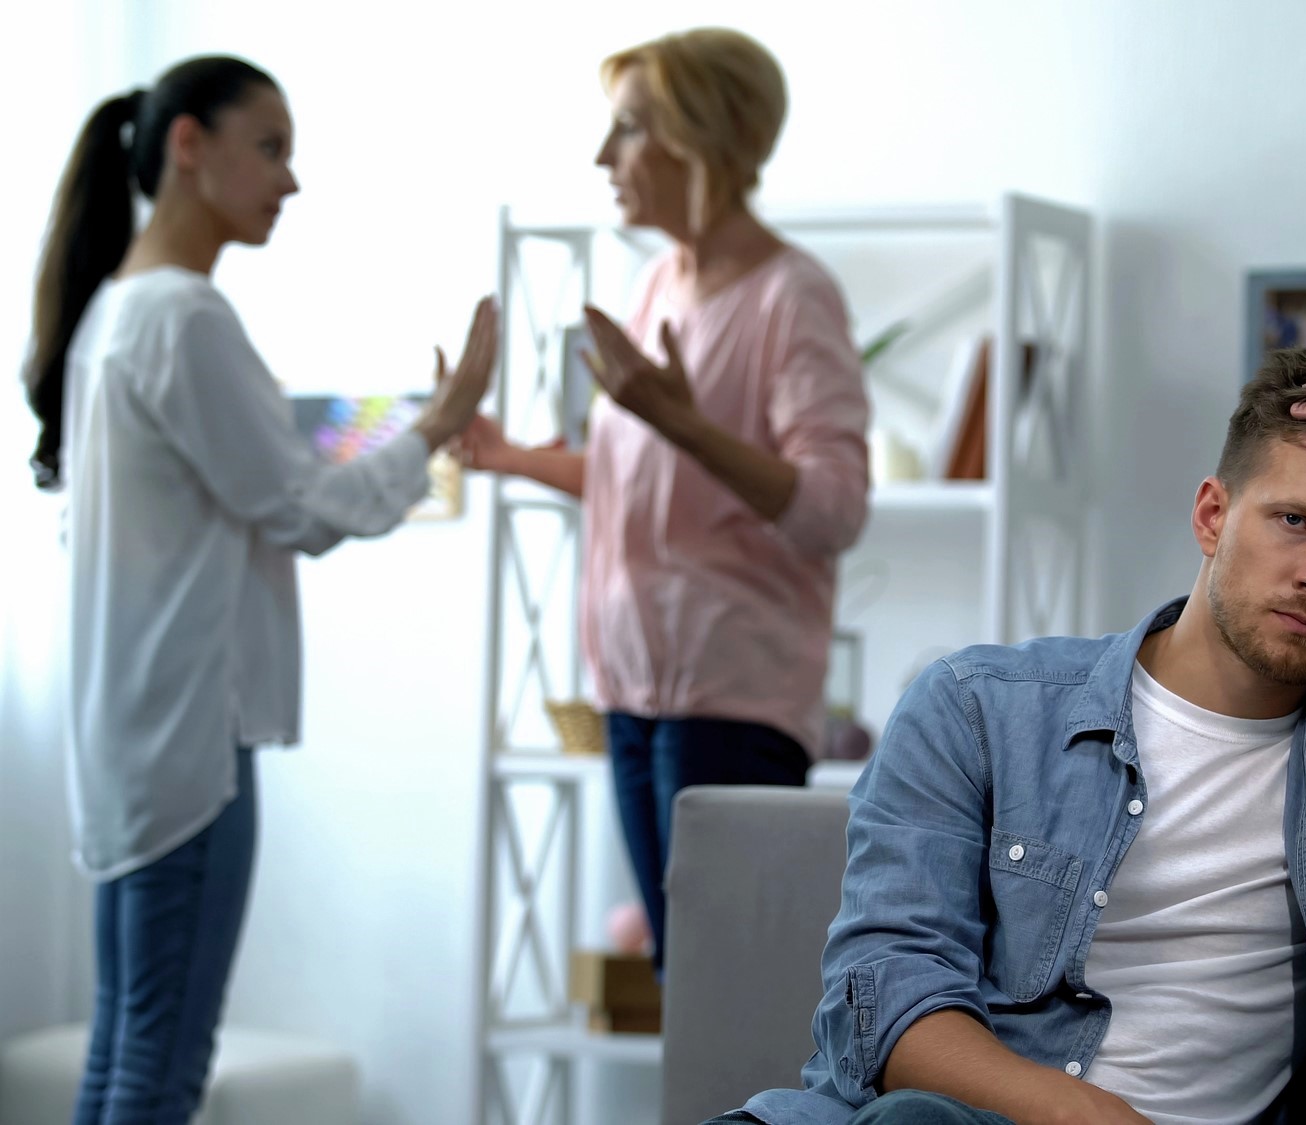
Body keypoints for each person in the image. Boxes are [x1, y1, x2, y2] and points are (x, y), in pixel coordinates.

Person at [716, 344, 1306, 1125]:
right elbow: (888, 992)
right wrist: (1084, 1115)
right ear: (1213, 515)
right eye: (1293, 521)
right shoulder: (978, 706)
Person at [22, 55, 498, 1125]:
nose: (292, 182)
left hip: (131, 741)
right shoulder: (184, 320)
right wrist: (440, 416)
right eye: (272, 148)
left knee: (127, 1051)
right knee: (162, 1065)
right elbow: (302, 509)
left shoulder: (116, 314)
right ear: (188, 145)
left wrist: (417, 425)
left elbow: (268, 484)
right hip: (188, 747)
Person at [457, 27, 870, 974]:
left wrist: (682, 422)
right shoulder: (654, 287)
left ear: (703, 140)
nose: (606, 156)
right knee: (683, 980)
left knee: (722, 989)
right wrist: (510, 456)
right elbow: (638, 482)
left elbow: (833, 507)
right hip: (632, 693)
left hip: (728, 698)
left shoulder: (790, 295)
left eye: (630, 129)